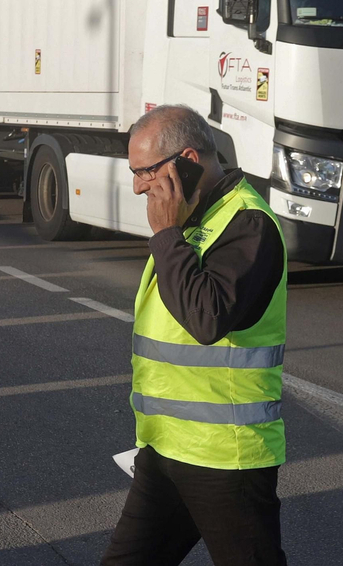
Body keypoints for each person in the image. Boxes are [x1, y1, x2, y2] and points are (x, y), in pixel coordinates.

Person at [103, 104, 289, 566]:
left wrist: (167, 235)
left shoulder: (248, 224)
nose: (138, 185)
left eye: (145, 171)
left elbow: (206, 319)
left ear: (187, 158)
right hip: (165, 448)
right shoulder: (193, 217)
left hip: (226, 460)